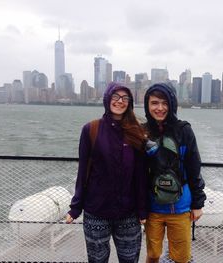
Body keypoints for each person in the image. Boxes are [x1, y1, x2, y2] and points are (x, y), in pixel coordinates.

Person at [66, 82, 147, 263]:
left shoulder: (137, 132)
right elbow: (83, 171)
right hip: (96, 212)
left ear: (130, 103)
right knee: (97, 260)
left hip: (129, 213)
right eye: (116, 97)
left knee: (130, 260)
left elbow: (140, 176)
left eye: (125, 98)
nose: (120, 101)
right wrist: (76, 207)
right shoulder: (91, 129)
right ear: (107, 99)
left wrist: (143, 210)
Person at [143, 82, 206, 263]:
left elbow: (194, 168)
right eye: (154, 103)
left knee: (181, 257)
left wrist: (197, 203)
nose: (160, 108)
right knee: (153, 254)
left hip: (181, 207)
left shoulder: (184, 130)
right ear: (147, 105)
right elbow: (137, 172)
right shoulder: (143, 131)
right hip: (153, 207)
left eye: (165, 103)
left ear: (172, 104)